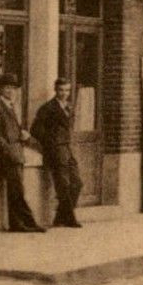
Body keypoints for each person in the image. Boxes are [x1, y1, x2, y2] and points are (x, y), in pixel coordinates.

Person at [0, 75, 43, 233]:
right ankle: (28, 223)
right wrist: (6, 148)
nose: (11, 91)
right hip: (9, 155)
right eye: (7, 88)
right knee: (17, 191)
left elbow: (8, 130)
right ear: (0, 89)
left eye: (14, 88)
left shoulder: (9, 106)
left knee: (16, 191)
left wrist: (22, 135)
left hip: (16, 154)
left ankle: (19, 224)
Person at [30, 77, 83, 229]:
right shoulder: (48, 108)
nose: (64, 93)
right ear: (55, 90)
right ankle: (70, 219)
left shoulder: (68, 107)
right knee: (63, 185)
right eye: (61, 90)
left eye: (67, 90)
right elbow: (35, 130)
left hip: (66, 149)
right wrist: (51, 142)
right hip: (55, 151)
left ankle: (61, 217)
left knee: (77, 183)